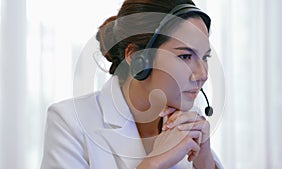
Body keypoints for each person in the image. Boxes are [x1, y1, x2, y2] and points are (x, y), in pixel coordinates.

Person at [41, 0, 223, 168]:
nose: (203, 74)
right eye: (185, 56)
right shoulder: (68, 122)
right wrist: (153, 163)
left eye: (205, 57)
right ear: (137, 57)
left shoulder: (189, 124)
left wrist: (205, 160)